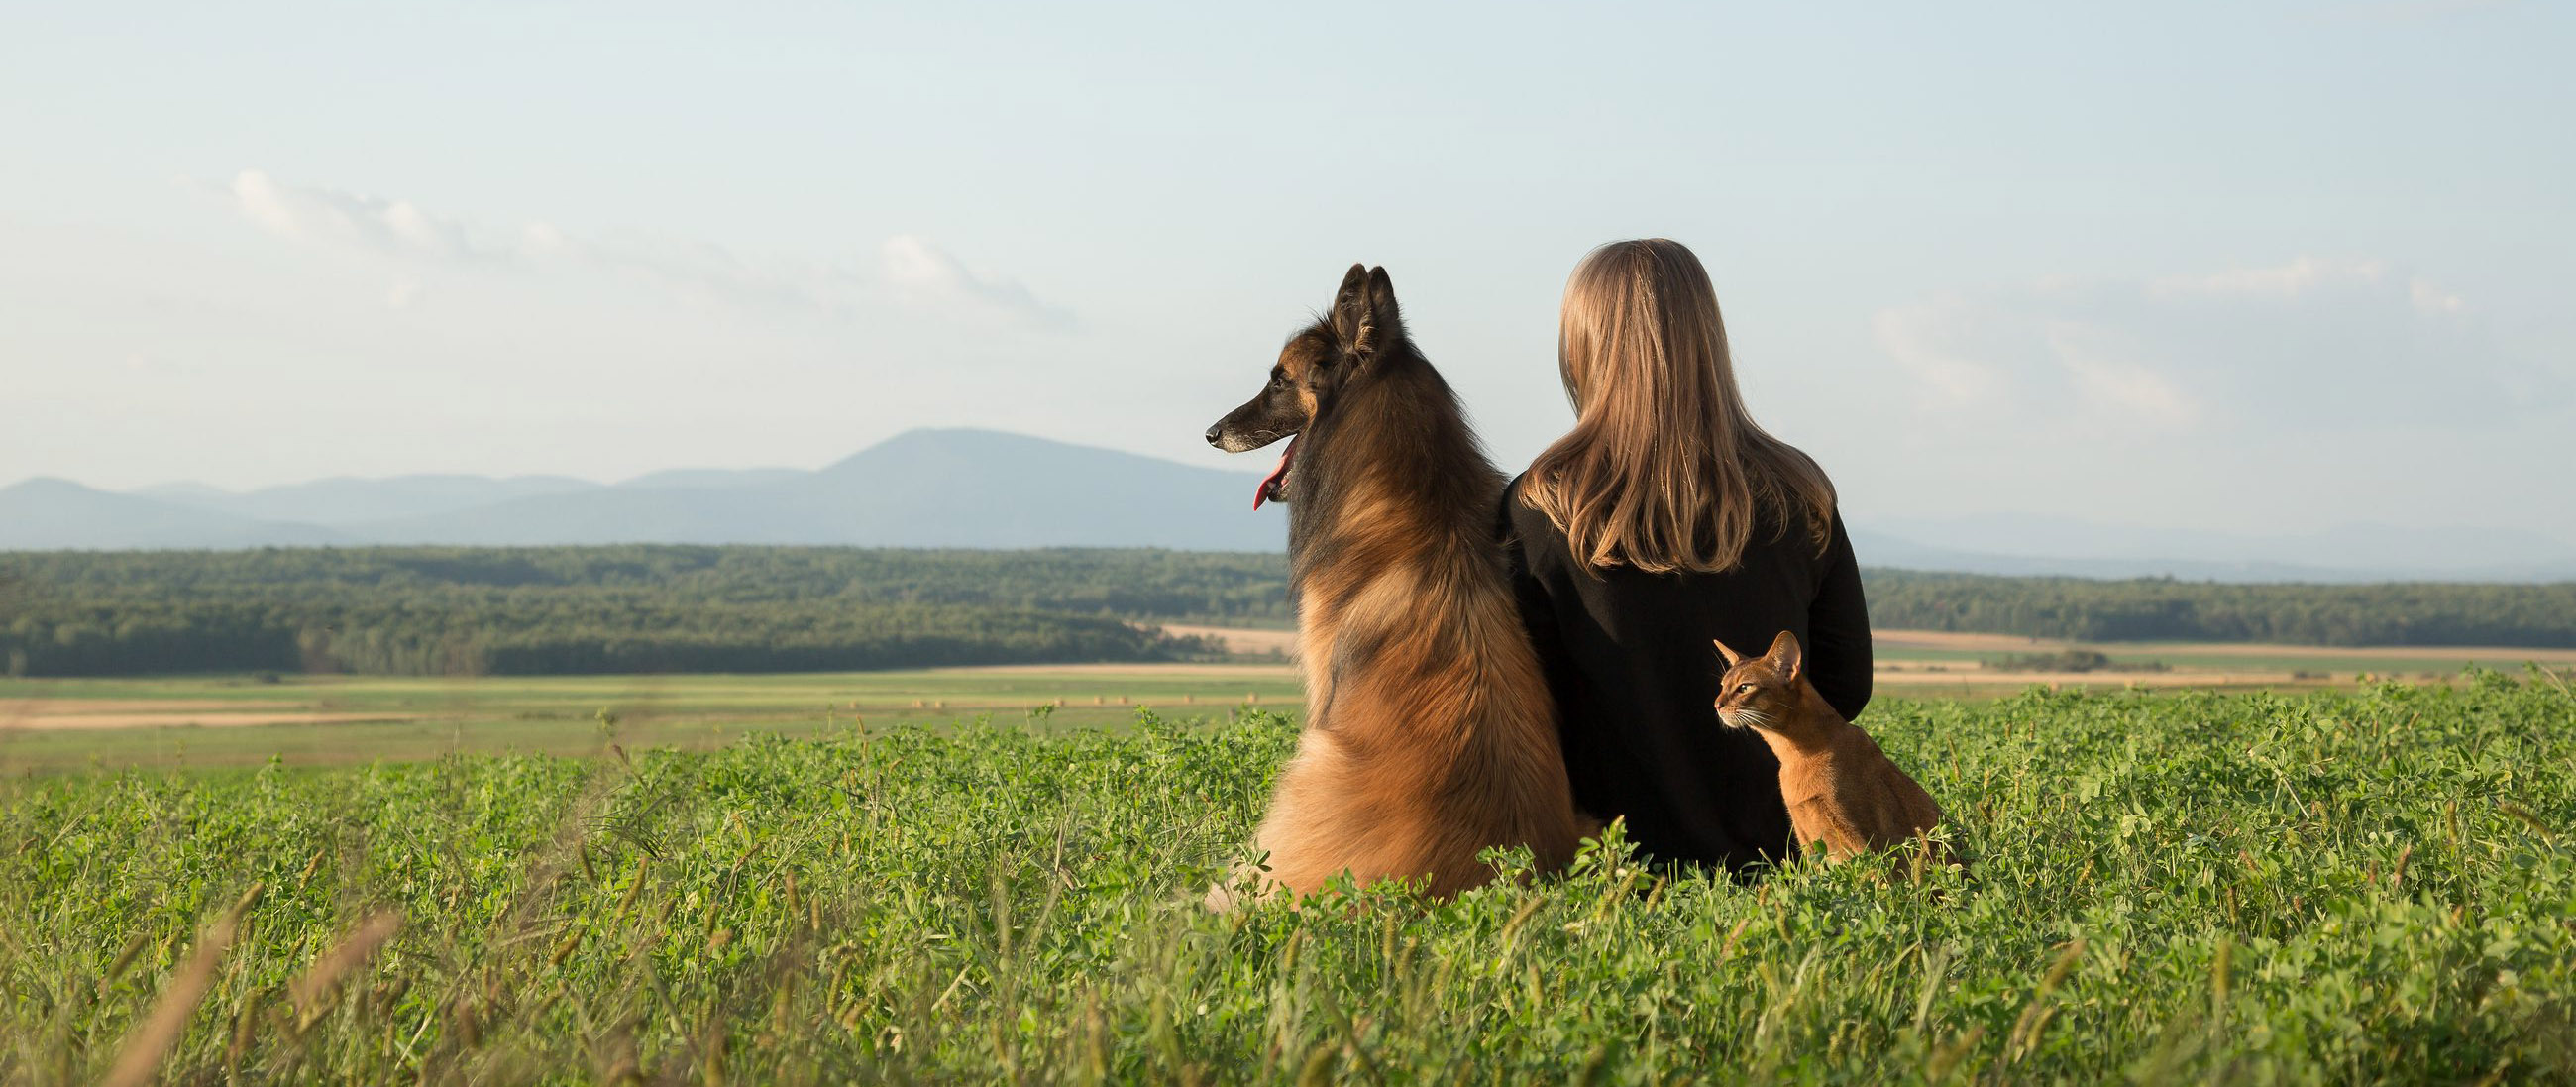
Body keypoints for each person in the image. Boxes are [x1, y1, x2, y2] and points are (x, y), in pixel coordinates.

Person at [1501, 238, 1872, 874]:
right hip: (1786, 873)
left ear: (1581, 349)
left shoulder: (1540, 506)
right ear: (1710, 342)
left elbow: (1513, 709)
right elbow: (1844, 683)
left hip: (1605, 880)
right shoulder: (1799, 495)